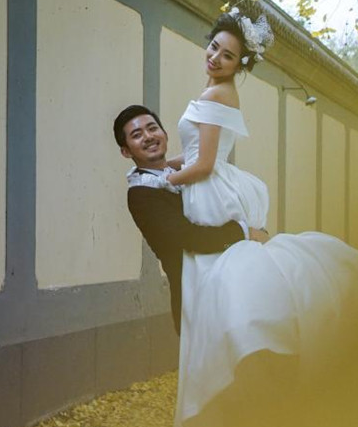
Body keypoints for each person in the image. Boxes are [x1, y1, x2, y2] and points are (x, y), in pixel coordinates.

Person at [153, 8, 358, 427]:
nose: (216, 57)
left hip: (208, 193)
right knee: (208, 293)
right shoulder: (217, 89)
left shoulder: (219, 93)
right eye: (214, 47)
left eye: (228, 55)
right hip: (205, 185)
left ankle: (230, 397)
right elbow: (194, 154)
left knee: (210, 295)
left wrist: (160, 182)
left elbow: (204, 164)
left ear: (241, 64)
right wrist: (164, 165)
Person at [112, 105, 270, 337]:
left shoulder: (182, 174)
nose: (148, 137)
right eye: (137, 135)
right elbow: (189, 237)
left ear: (164, 134)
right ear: (126, 152)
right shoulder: (141, 193)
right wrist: (245, 232)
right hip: (197, 297)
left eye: (152, 128)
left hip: (230, 286)